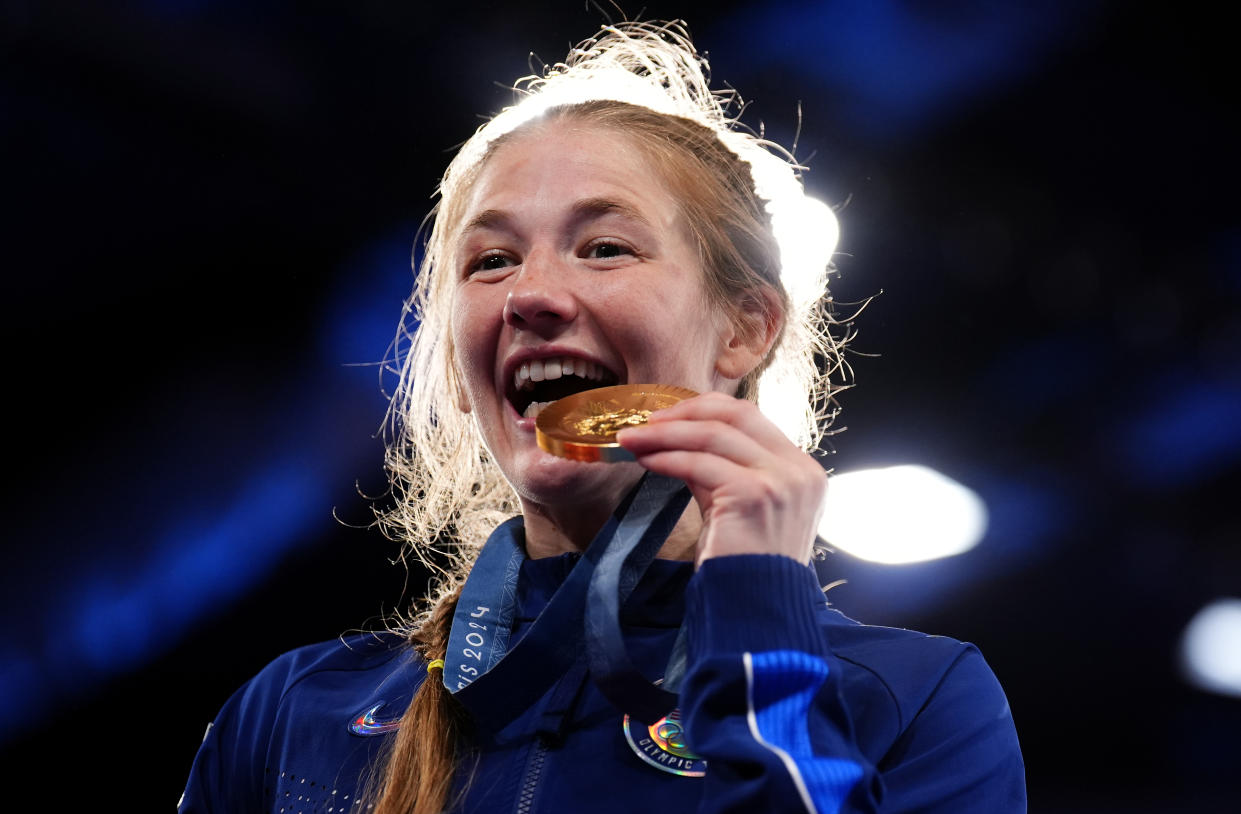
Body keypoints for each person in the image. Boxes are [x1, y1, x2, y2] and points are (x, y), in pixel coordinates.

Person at [180, 21, 1025, 814]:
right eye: (492, 260)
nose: (530, 295)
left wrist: (763, 625)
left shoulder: (914, 699)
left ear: (744, 328)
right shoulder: (295, 714)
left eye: (604, 248)